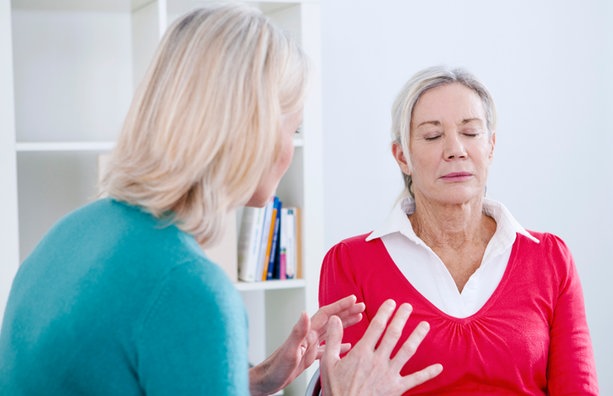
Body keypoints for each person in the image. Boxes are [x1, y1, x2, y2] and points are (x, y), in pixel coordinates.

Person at [0, 4, 441, 395]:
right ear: (251, 130)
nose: (289, 150)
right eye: (293, 129)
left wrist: (253, 379)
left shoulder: (74, 231)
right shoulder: (189, 289)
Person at [319, 65, 599, 395]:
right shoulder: (350, 263)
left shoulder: (550, 258)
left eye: (470, 133)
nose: (456, 149)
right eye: (433, 136)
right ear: (402, 157)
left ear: (491, 146)